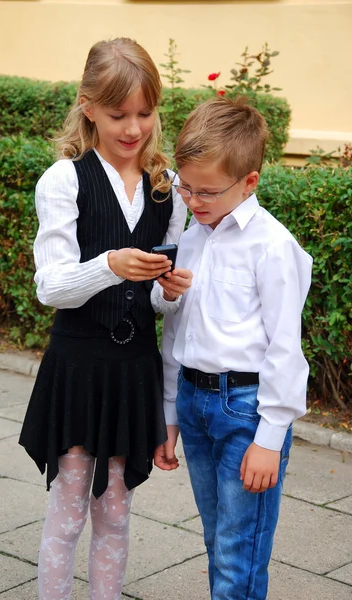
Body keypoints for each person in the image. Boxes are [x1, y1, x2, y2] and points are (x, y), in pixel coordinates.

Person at [18, 37, 191, 600]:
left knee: (115, 514)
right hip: (80, 366)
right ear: (88, 106)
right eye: (119, 114)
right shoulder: (64, 181)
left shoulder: (169, 192)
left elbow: (160, 306)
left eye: (145, 113)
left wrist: (170, 292)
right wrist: (111, 265)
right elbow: (52, 287)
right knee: (69, 515)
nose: (134, 128)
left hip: (133, 369)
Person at [154, 97, 313, 600]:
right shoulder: (194, 234)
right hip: (195, 405)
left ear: (250, 183)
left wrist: (270, 436)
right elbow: (179, 332)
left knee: (237, 552)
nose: (193, 201)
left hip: (246, 412)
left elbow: (285, 348)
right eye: (186, 187)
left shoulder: (273, 247)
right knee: (216, 539)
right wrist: (169, 415)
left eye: (207, 191)